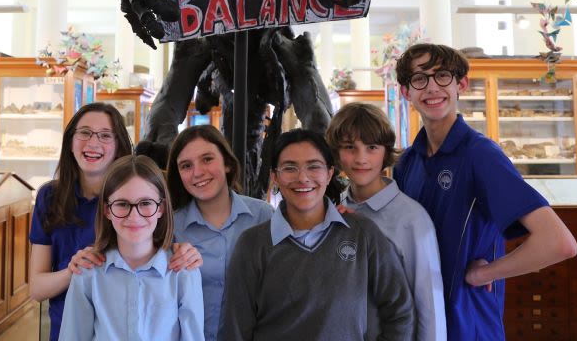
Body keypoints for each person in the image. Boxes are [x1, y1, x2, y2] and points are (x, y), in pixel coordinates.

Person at [392, 43, 577, 341]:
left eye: (442, 76)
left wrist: (484, 274)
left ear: (461, 84)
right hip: (418, 322)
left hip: (467, 323)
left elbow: (558, 242)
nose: (431, 88)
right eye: (419, 79)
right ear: (406, 92)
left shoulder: (480, 155)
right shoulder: (409, 162)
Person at [221, 128, 415, 341]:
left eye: (314, 167)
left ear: (330, 173)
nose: (302, 178)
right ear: (275, 177)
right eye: (290, 168)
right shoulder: (252, 244)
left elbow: (400, 310)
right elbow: (235, 329)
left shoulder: (362, 233)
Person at [29, 102, 200, 341]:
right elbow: (36, 287)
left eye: (105, 135)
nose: (93, 142)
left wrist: (186, 253)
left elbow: (163, 251)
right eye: (85, 132)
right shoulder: (50, 198)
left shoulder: (142, 194)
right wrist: (75, 270)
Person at [327, 102, 446, 341]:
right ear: (337, 154)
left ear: (386, 152)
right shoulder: (334, 212)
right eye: (350, 147)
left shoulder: (411, 219)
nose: (361, 158)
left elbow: (429, 307)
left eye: (371, 147)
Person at [58, 155, 204, 340]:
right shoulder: (88, 273)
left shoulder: (184, 273)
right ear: (106, 210)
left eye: (145, 203)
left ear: (161, 208)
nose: (134, 217)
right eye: (122, 204)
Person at [167, 125, 274, 341]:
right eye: (186, 166)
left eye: (207, 159)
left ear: (226, 163)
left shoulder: (264, 216)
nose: (198, 172)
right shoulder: (169, 226)